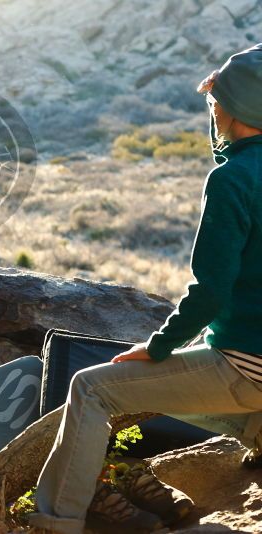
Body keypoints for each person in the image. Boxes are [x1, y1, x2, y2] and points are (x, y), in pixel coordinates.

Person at [27, 43, 262, 534]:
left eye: (216, 99)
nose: (212, 108)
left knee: (91, 388)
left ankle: (58, 521)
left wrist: (158, 346)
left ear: (233, 109)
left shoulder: (233, 178)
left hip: (249, 368)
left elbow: (211, 291)